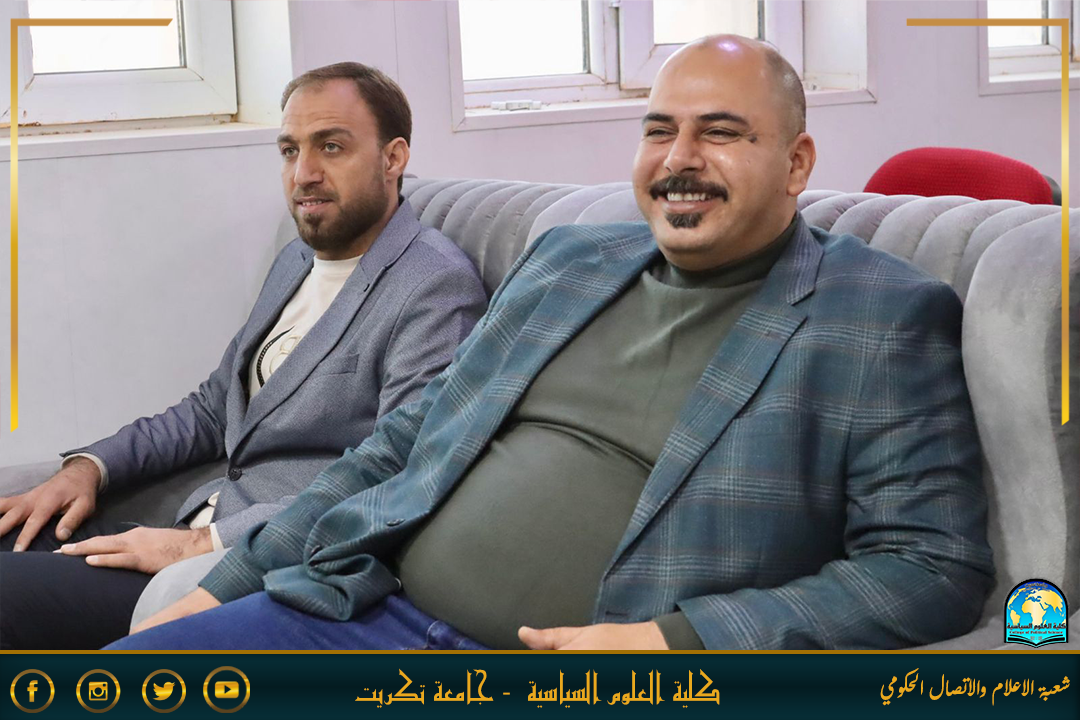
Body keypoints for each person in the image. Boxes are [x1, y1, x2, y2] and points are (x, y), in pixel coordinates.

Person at [113, 36, 994, 652]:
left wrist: (676, 640)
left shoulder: (881, 315)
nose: (679, 158)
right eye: (659, 130)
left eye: (721, 132)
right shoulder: (568, 262)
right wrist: (228, 581)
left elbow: (930, 569)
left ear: (797, 163)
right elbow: (402, 444)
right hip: (361, 609)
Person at [0, 62, 487, 649]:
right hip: (180, 522)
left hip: (243, 566)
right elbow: (215, 408)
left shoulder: (433, 287)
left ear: (393, 158)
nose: (304, 174)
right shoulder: (298, 262)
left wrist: (201, 543)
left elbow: (394, 480)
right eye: (290, 151)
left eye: (331, 147)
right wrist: (89, 469)